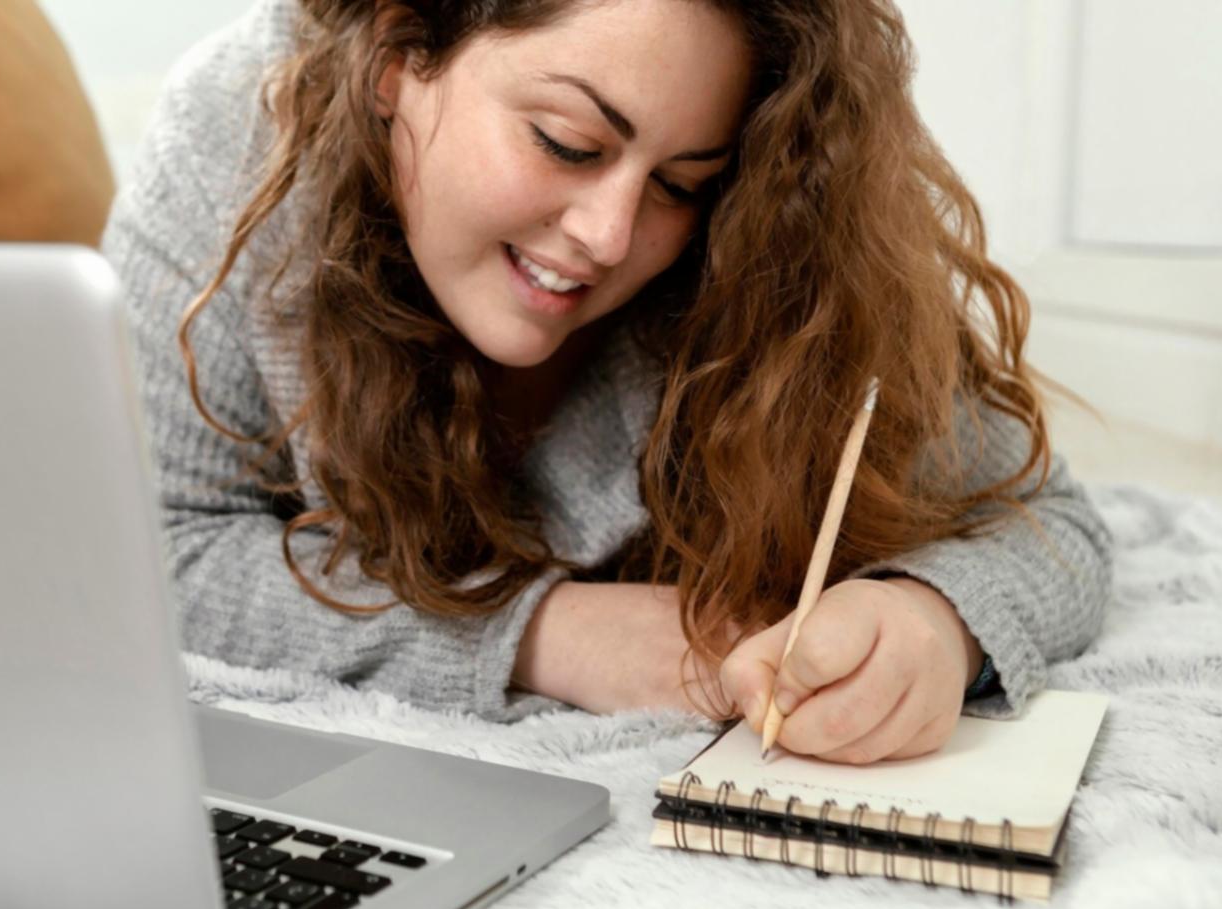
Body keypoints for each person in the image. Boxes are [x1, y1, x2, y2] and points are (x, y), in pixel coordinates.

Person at [102, 0, 1113, 764]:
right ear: (396, 51)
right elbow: (145, 556)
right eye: (566, 144)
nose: (611, 236)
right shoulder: (232, 143)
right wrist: (542, 634)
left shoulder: (775, 248)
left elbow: (1048, 518)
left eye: (681, 184)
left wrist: (934, 620)